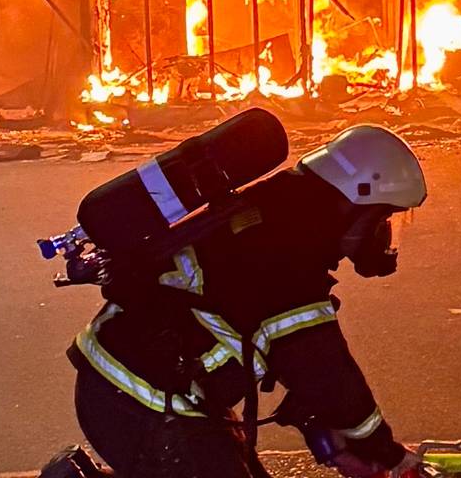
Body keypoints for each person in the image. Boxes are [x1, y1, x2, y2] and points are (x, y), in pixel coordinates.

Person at [62, 125, 438, 478]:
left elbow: (295, 361)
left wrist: (332, 445)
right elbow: (328, 376)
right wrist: (388, 454)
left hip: (133, 387)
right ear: (357, 199)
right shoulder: (291, 256)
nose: (383, 233)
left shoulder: (281, 214)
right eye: (382, 217)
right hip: (139, 402)